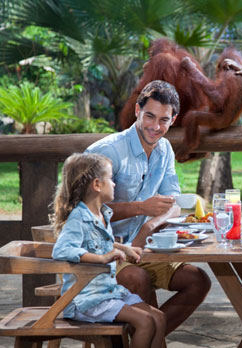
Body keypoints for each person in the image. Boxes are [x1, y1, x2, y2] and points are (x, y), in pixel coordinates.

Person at [85, 80, 211, 335]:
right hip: (101, 253)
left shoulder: (164, 149)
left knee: (197, 281)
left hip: (143, 249)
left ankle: (146, 338)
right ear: (137, 111)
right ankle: (148, 338)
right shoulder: (107, 152)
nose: (155, 126)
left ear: (173, 120)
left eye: (163, 120)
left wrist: (150, 226)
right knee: (138, 280)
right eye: (149, 116)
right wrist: (141, 208)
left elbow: (172, 201)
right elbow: (84, 210)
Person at [52, 153, 167, 347]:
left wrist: (124, 248)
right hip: (86, 299)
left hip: (109, 292)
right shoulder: (78, 218)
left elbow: (99, 241)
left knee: (159, 318)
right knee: (145, 322)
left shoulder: (102, 213)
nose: (114, 184)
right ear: (97, 185)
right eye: (111, 179)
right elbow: (61, 250)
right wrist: (103, 258)